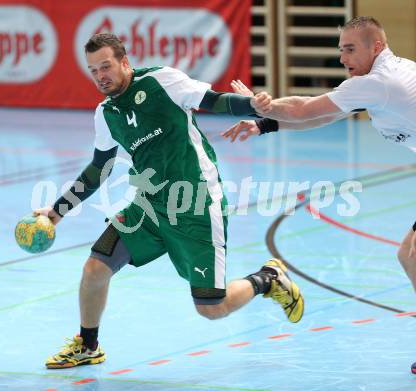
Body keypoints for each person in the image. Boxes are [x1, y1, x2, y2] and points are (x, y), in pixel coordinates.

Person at [35, 33, 304, 369]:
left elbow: (213, 100)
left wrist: (252, 105)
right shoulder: (106, 113)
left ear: (124, 63)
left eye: (106, 66)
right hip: (148, 206)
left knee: (211, 308)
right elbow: (99, 168)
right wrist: (57, 211)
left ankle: (267, 279)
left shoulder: (162, 80)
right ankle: (88, 346)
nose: (101, 75)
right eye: (94, 70)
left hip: (197, 205)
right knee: (94, 268)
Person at [222, 16, 416, 372]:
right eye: (340, 50)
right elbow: (325, 117)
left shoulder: (379, 82)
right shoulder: (379, 78)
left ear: (377, 47)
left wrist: (260, 105)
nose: (343, 58)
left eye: (350, 49)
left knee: (412, 254)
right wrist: (264, 124)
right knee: (410, 255)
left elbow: (302, 108)